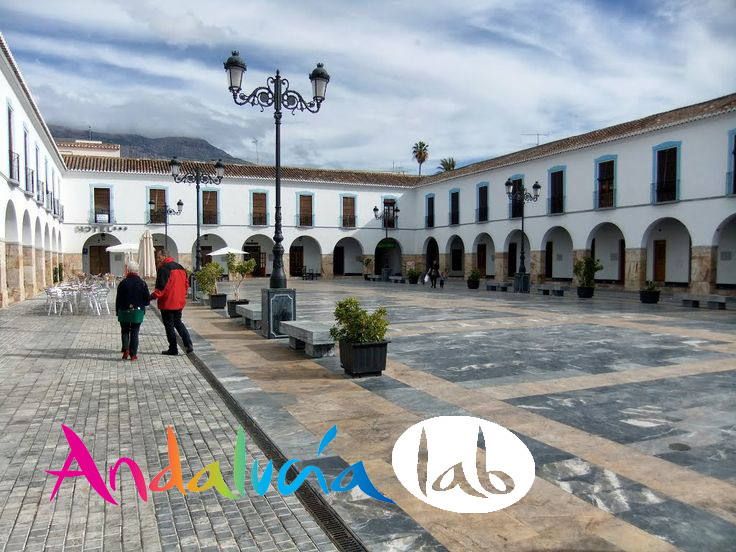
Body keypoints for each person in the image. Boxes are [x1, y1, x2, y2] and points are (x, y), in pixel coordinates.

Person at [152, 249, 193, 355]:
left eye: (158, 257)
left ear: (164, 256)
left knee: (169, 326)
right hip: (179, 301)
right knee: (178, 323)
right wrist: (182, 296)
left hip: (168, 302)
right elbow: (186, 284)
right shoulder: (180, 267)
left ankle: (173, 348)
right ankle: (188, 344)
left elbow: (161, 288)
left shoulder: (164, 268)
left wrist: (150, 297)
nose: (157, 259)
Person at [115, 260, 150, 361]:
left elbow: (118, 299)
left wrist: (117, 311)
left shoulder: (123, 283)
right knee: (135, 331)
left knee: (125, 330)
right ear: (137, 271)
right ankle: (133, 354)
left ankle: (126, 350)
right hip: (137, 311)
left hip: (124, 310)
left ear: (128, 270)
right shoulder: (142, 283)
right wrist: (143, 304)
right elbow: (147, 299)